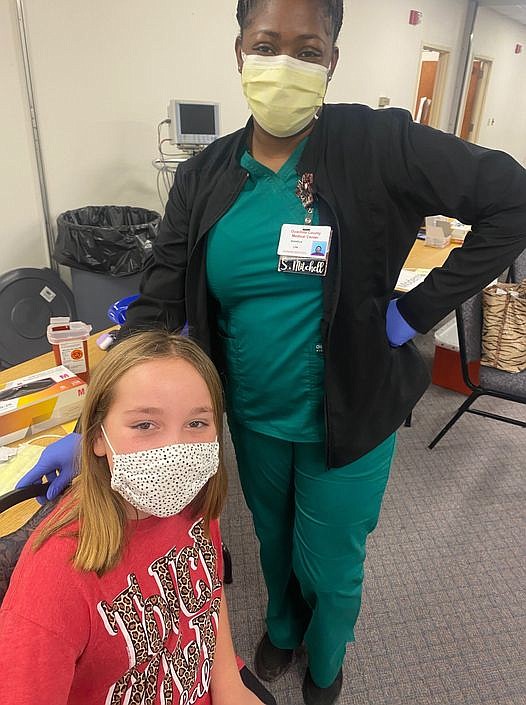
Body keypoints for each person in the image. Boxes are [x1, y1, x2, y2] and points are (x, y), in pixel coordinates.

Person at [18, 1, 526, 703]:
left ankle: (325, 660)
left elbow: (513, 201)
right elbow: (159, 306)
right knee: (272, 533)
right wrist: (96, 423)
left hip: (349, 414)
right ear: (238, 52)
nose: (283, 64)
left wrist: (415, 311)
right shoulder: (204, 177)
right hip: (252, 413)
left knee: (333, 561)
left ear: (332, 61)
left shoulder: (376, 143)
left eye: (307, 49)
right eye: (266, 43)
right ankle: (284, 627)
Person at [1, 331, 272, 705]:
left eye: (196, 424)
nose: (176, 453)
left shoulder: (193, 498)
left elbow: (206, 594)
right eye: (145, 425)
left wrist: (227, 681)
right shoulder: (53, 584)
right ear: (97, 438)